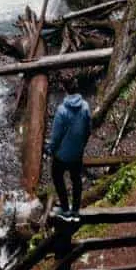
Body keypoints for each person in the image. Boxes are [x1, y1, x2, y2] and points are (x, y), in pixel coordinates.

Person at [45, 75, 91, 222]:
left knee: (57, 177)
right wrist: (81, 145)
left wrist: (51, 149)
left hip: (62, 155)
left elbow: (56, 136)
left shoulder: (62, 111)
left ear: (65, 89)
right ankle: (76, 210)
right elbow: (88, 130)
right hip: (77, 153)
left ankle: (65, 209)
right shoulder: (85, 107)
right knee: (76, 180)